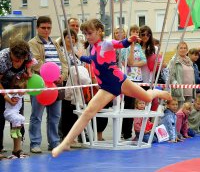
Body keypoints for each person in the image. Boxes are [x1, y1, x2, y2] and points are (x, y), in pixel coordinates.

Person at [52, 18, 172, 157]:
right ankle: (67, 142)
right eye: (85, 34)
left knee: (146, 97)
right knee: (88, 112)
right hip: (106, 88)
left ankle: (157, 92)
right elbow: (93, 61)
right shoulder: (93, 48)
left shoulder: (107, 43)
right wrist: (81, 57)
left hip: (120, 82)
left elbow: (120, 44)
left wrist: (130, 40)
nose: (87, 37)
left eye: (90, 33)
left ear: (99, 31)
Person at [28, 16, 68, 153]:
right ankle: (35, 143)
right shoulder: (32, 43)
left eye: (48, 28)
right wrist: (51, 75)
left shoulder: (55, 43)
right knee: (36, 115)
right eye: (43, 28)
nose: (46, 30)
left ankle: (54, 142)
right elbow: (36, 62)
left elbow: (64, 62)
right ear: (37, 28)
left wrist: (62, 75)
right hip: (41, 83)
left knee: (55, 115)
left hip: (56, 84)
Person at [0, 38, 34, 158]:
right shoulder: (2, 58)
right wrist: (6, 97)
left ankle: (17, 149)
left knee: (18, 119)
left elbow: (29, 66)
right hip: (2, 86)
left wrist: (28, 72)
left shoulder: (28, 54)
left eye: (21, 60)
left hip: (16, 88)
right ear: (10, 54)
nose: (18, 63)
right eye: (15, 60)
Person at [121, 24, 146, 140]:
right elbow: (129, 61)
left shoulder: (139, 47)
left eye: (137, 31)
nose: (135, 33)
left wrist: (134, 64)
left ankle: (138, 131)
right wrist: (131, 46)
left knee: (137, 106)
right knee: (128, 106)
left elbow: (144, 61)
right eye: (133, 31)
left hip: (138, 79)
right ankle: (126, 133)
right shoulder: (124, 46)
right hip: (128, 80)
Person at [168, 42, 195, 108]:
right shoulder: (174, 60)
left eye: (185, 48)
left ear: (187, 50)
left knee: (187, 112)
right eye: (181, 48)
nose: (183, 50)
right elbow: (170, 74)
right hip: (179, 91)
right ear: (177, 49)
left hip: (189, 90)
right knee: (179, 112)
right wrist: (175, 83)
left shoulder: (189, 61)